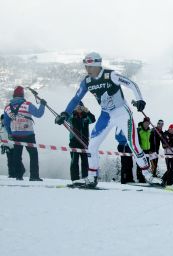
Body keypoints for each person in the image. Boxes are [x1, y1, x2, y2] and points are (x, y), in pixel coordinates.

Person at [54, 52, 161, 188]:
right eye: (86, 66)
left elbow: (131, 84)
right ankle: (92, 177)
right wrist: (65, 113)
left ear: (97, 65)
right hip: (106, 115)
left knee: (133, 145)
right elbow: (76, 99)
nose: (88, 69)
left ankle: (148, 176)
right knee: (92, 145)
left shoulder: (111, 75)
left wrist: (140, 99)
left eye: (90, 67)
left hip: (122, 112)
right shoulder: (87, 81)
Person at [3, 86, 46, 181]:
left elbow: (6, 123)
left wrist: (10, 133)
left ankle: (18, 176)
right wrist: (42, 104)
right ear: (22, 95)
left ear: (13, 95)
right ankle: (34, 176)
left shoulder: (7, 108)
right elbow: (39, 114)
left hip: (15, 134)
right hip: (28, 134)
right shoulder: (27, 104)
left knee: (17, 156)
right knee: (33, 155)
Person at [68, 102, 96, 184]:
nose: (79, 108)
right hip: (74, 142)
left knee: (85, 161)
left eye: (80, 107)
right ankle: (75, 179)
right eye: (77, 107)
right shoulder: (71, 116)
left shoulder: (86, 117)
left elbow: (93, 119)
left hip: (84, 142)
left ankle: (85, 178)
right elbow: (65, 118)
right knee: (74, 161)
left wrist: (88, 111)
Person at [136, 117, 151, 183]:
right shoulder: (139, 130)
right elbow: (137, 140)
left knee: (147, 165)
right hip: (141, 150)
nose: (147, 124)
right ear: (143, 122)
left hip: (147, 150)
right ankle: (140, 179)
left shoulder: (149, 130)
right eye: (146, 123)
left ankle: (145, 178)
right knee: (141, 165)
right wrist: (139, 148)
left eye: (148, 123)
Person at [0, 114, 15, 178]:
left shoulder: (11, 125)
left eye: (5, 119)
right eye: (2, 119)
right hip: (7, 147)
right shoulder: (0, 127)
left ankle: (20, 171)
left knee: (15, 160)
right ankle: (11, 174)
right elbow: (1, 138)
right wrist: (2, 146)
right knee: (9, 161)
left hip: (14, 146)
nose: (3, 121)